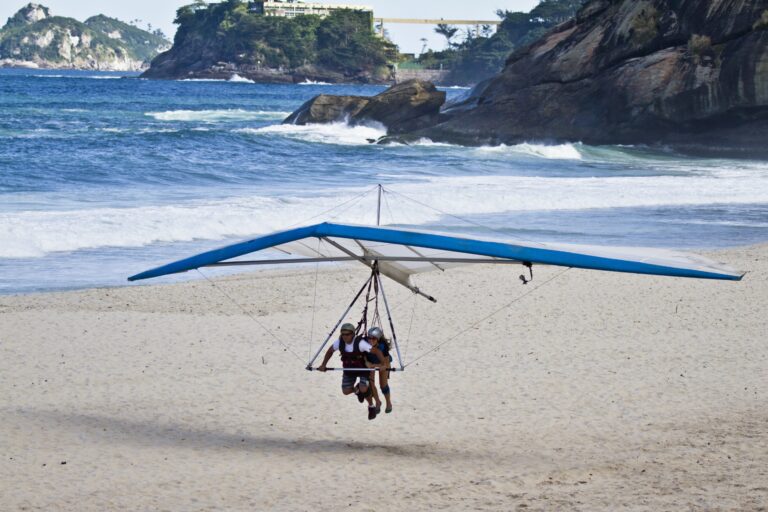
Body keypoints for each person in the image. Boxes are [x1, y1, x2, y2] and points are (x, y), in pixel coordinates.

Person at [318, 322, 387, 420]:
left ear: (353, 334)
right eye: (343, 334)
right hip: (349, 369)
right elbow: (330, 351)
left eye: (347, 334)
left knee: (364, 388)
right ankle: (357, 390)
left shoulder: (360, 343)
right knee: (345, 391)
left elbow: (377, 351)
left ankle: (371, 406)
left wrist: (383, 364)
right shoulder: (340, 342)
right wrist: (323, 364)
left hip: (362, 369)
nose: (345, 337)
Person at [365, 326, 393, 414]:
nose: (371, 340)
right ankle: (378, 402)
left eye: (374, 339)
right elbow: (363, 354)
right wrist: (366, 362)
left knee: (383, 385)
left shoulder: (382, 346)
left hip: (383, 362)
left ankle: (388, 403)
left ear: (378, 339)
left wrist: (374, 365)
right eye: (369, 338)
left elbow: (385, 362)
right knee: (371, 383)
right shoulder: (365, 343)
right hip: (371, 361)